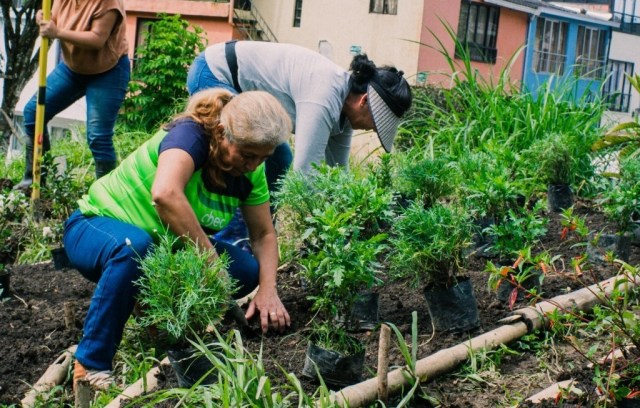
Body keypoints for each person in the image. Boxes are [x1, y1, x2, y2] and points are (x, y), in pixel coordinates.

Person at [63, 89, 293, 389]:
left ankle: (164, 325)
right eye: (248, 155)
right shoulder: (190, 136)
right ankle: (91, 364)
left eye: (264, 158)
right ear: (222, 132)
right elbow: (165, 194)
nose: (253, 166)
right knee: (134, 249)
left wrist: (268, 290)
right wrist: (210, 261)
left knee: (245, 271)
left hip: (161, 245)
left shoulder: (251, 172)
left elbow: (263, 234)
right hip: (96, 228)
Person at [187, 40, 413, 248]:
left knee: (279, 159)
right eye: (376, 122)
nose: (373, 129)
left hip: (238, 86)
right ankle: (232, 244)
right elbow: (306, 175)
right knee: (242, 159)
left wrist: (356, 221)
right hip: (216, 73)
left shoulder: (344, 112)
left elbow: (338, 177)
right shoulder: (324, 97)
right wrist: (325, 235)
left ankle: (260, 235)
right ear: (364, 101)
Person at [14, 0, 130, 192]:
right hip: (72, 68)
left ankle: (107, 195)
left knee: (98, 136)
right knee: (33, 112)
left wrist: (57, 32)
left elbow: (97, 39)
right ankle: (33, 180)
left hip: (108, 71)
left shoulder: (108, 2)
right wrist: (43, 19)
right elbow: (54, 18)